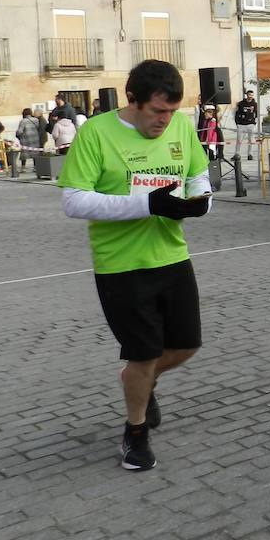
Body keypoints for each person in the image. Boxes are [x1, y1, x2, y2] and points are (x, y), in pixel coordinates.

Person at [58, 60, 212, 472]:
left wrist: (201, 202)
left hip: (172, 255)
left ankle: (139, 383)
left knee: (186, 345)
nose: (165, 121)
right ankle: (136, 432)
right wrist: (146, 203)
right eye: (157, 112)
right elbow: (74, 201)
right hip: (120, 265)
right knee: (142, 354)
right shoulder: (96, 132)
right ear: (133, 101)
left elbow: (199, 176)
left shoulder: (179, 127)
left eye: (171, 112)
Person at [234, 89, 259, 160]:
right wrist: (237, 123)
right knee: (239, 140)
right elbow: (236, 113)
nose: (250, 96)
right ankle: (237, 153)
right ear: (246, 95)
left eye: (252, 95)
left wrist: (254, 122)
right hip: (241, 124)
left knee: (251, 140)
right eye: (249, 95)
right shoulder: (241, 103)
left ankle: (249, 154)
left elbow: (256, 113)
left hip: (250, 124)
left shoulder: (255, 104)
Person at [16, 108, 42, 174]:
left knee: (24, 154)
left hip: (26, 140)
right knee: (35, 153)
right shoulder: (36, 120)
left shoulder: (23, 121)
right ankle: (35, 167)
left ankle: (23, 167)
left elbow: (20, 131)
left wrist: (17, 135)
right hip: (35, 139)